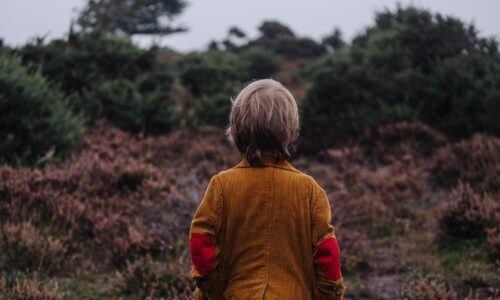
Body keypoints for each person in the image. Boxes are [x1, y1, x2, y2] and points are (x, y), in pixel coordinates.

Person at [189, 79, 345, 299]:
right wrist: (328, 296)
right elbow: (327, 253)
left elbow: (201, 241)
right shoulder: (310, 190)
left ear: (236, 129)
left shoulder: (222, 185)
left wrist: (214, 289)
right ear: (291, 130)